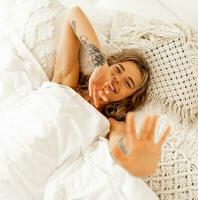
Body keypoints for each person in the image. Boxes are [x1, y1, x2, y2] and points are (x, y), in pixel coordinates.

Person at [51, 6, 171, 178]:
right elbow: (73, 14)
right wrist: (99, 64)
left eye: (127, 83)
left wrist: (136, 159)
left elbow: (121, 146)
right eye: (118, 69)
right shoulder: (67, 82)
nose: (117, 79)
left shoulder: (111, 124)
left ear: (128, 98)